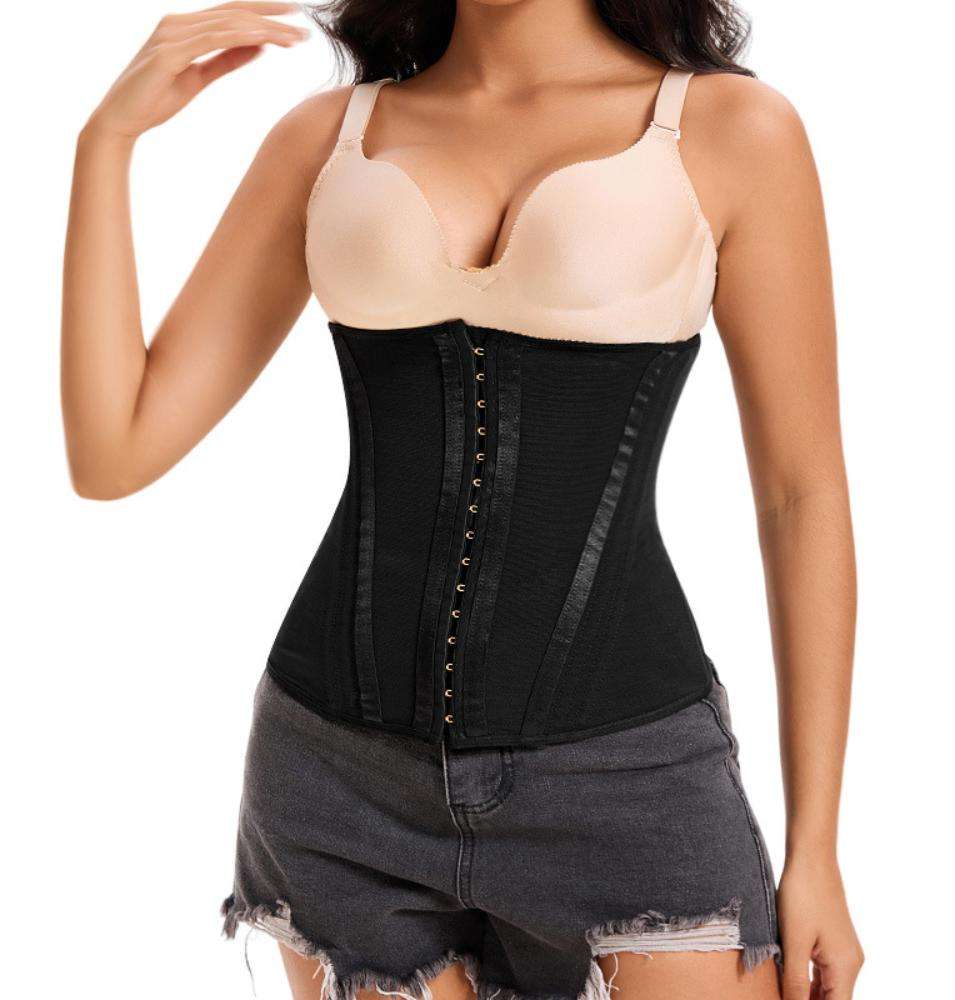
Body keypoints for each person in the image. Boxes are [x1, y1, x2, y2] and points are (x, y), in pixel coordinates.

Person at [60, 2, 864, 998]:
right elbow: (115, 449)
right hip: (338, 779)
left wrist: (816, 847)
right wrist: (106, 143)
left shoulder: (730, 130)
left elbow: (799, 491)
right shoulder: (326, 139)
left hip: (628, 777)